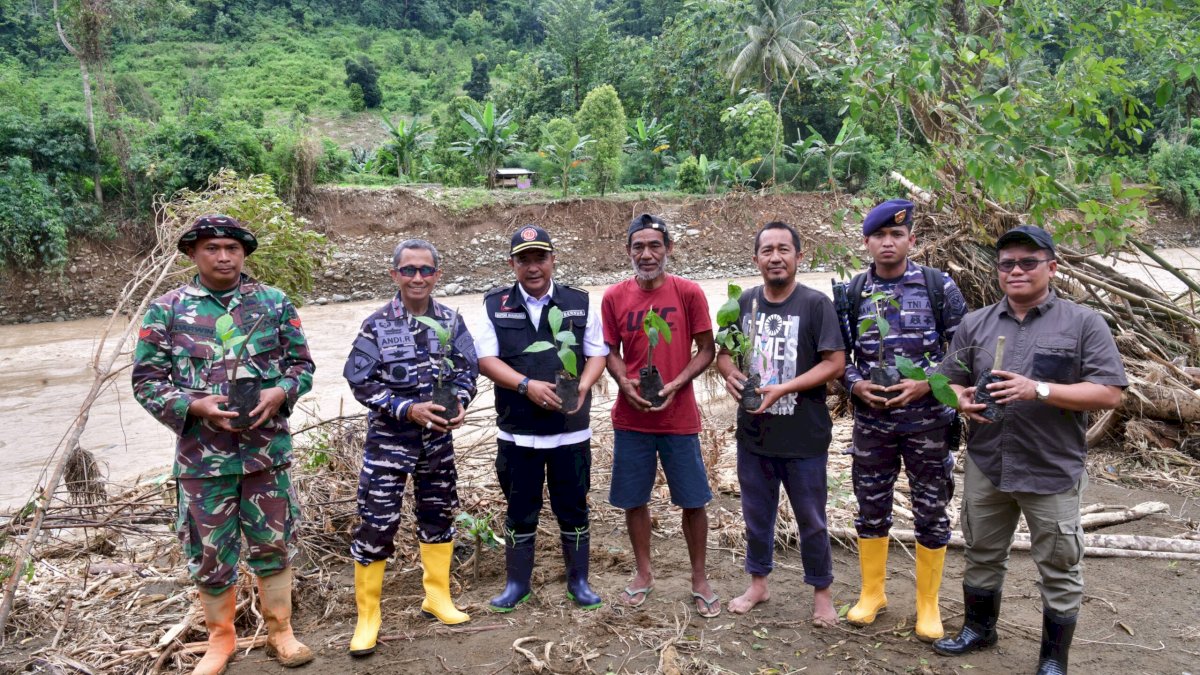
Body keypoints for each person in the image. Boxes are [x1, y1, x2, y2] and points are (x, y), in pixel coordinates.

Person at [933, 225, 1126, 674]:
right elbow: (948, 379)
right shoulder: (976, 323)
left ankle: (1053, 659)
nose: (1016, 270)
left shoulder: (1083, 323)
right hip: (988, 461)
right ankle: (978, 629)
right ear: (997, 270)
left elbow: (1109, 393)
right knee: (981, 549)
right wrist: (959, 398)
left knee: (1059, 563)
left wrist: (1037, 388)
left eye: (1028, 262)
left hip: (1051, 465)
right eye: (1007, 263)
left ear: (1052, 268)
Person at [132, 215, 316, 674]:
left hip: (264, 455)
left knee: (273, 545)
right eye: (213, 248)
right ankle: (221, 640)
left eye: (232, 248)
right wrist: (194, 406)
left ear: (244, 254)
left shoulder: (272, 303)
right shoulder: (168, 310)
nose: (223, 256)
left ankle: (281, 632)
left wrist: (282, 392)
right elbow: (146, 381)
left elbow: (302, 366)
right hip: (202, 460)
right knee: (210, 552)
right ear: (193, 253)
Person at [837, 199, 969, 641]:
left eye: (897, 235)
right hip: (873, 424)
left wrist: (928, 382)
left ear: (912, 239)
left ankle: (927, 604)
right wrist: (855, 385)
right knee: (870, 508)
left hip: (928, 424)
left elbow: (963, 351)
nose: (888, 243)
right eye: (880, 236)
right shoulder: (854, 292)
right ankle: (872, 593)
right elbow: (841, 358)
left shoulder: (938, 286)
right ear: (867, 243)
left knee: (931, 510)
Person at [343, 239, 478, 656]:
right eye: (408, 270)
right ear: (394, 275)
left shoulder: (451, 321)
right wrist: (406, 408)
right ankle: (369, 616)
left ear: (437, 275)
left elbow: (467, 369)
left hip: (437, 442)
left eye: (425, 270)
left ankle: (437, 597)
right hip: (388, 446)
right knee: (377, 523)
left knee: (438, 515)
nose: (417, 277)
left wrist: (460, 404)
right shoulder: (377, 323)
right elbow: (360, 381)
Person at [715, 221, 845, 626]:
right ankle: (758, 582)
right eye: (767, 250)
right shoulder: (744, 303)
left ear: (798, 257)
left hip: (804, 434)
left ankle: (821, 592)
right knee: (756, 514)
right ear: (756, 259)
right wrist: (730, 375)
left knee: (812, 517)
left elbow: (835, 362)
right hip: (755, 432)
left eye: (784, 249)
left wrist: (785, 387)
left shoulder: (815, 304)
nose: (775, 257)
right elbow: (722, 353)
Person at [474, 225, 609, 612]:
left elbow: (596, 351)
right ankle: (517, 584)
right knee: (519, 508)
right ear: (512, 264)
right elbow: (485, 359)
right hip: (519, 432)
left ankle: (578, 582)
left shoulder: (578, 302)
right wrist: (525, 385)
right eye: (524, 260)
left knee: (574, 505)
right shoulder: (493, 305)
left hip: (570, 431)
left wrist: (583, 385)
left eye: (540, 258)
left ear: (553, 259)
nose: (533, 267)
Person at [601, 213, 720, 617]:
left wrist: (676, 384)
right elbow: (609, 353)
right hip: (632, 418)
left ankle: (699, 578)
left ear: (669, 249)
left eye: (655, 246)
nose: (647, 254)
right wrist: (624, 382)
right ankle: (643, 574)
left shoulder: (688, 293)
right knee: (634, 499)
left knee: (693, 499)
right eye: (639, 247)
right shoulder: (614, 297)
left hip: (678, 417)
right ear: (628, 251)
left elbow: (707, 349)